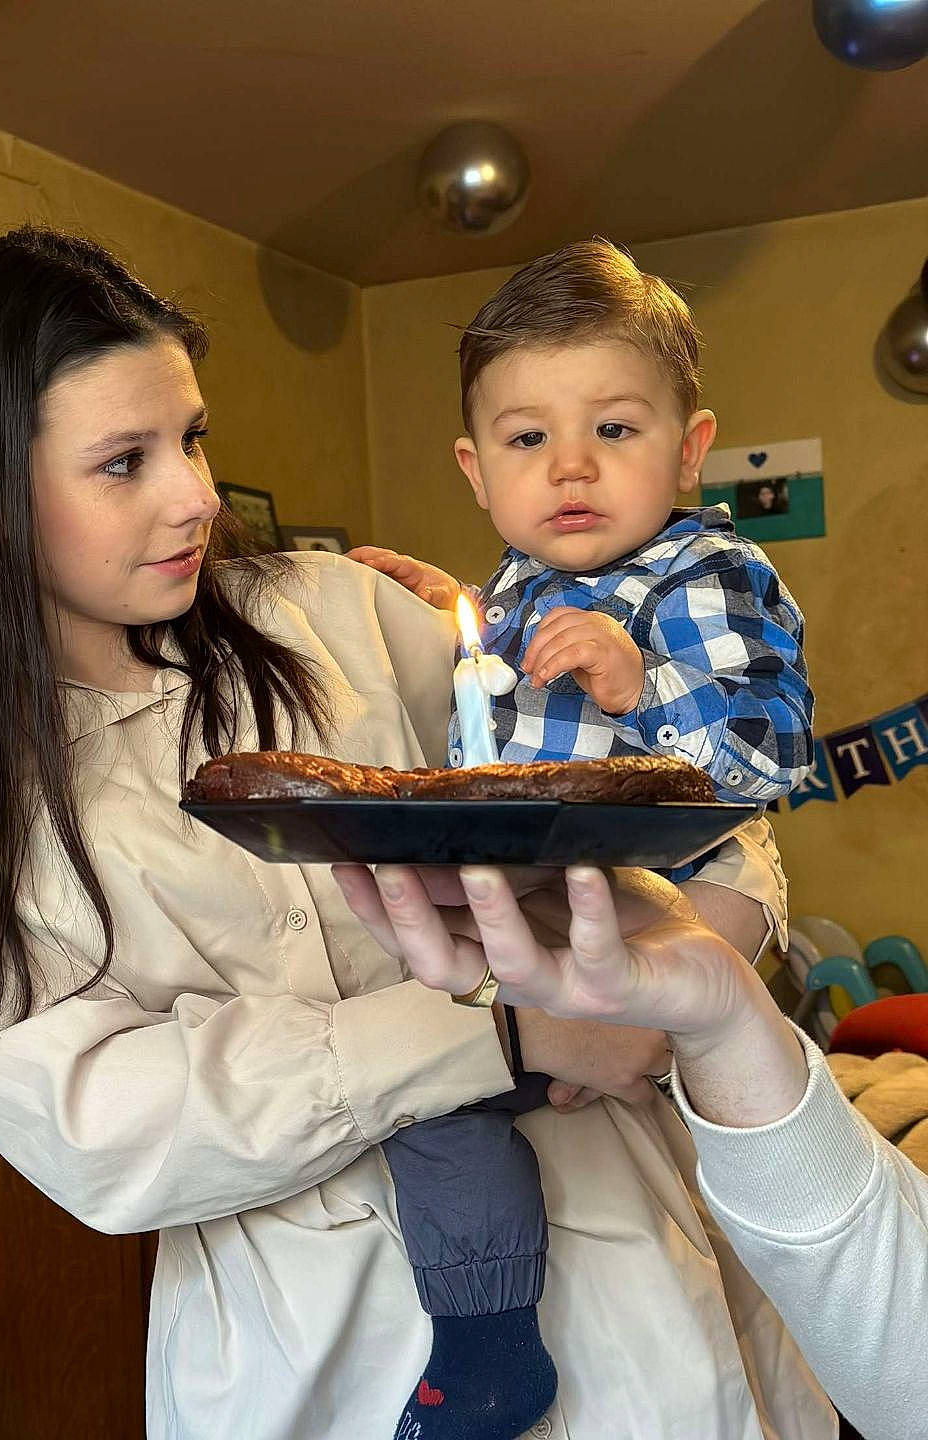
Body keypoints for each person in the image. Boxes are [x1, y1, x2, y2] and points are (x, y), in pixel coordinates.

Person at [0, 226, 834, 1440]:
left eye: (194, 437)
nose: (195, 496)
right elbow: (104, 1127)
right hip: (320, 1359)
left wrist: (696, 967)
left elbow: (671, 801)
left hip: (642, 1277)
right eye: (124, 462)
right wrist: (505, 1037)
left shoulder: (339, 612)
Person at [350, 238, 815, 1437]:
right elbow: (476, 700)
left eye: (613, 430)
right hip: (544, 904)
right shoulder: (506, 590)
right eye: (525, 440)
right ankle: (489, 1337)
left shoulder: (704, 575)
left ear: (689, 446)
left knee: (692, 1095)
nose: (569, 467)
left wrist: (639, 685)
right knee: (431, 1101)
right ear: (474, 467)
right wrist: (434, 611)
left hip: (668, 896)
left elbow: (768, 759)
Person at [336, 858, 928, 1440]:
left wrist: (718, 1011)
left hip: (666, 1228)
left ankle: (484, 1339)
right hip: (331, 1315)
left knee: (440, 1127)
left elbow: (743, 834)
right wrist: (725, 1017)